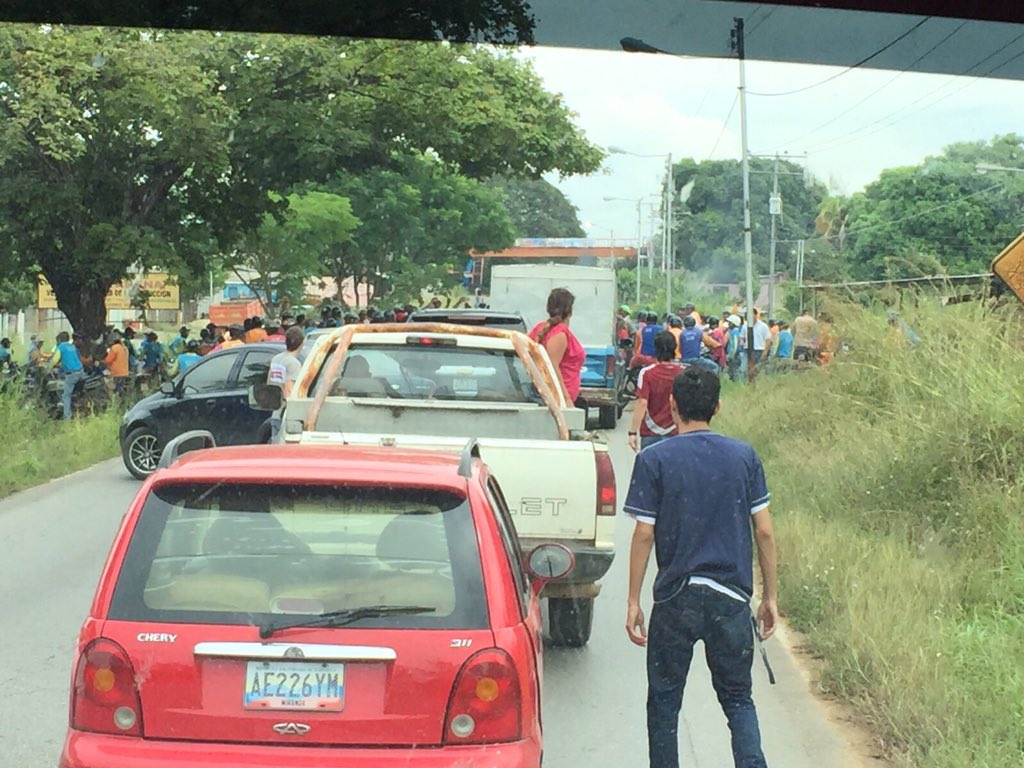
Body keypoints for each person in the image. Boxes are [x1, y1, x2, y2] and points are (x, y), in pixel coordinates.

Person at [624, 365, 778, 768]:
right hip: (731, 597)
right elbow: (764, 531)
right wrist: (770, 598)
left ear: (673, 405)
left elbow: (644, 534)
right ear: (718, 407)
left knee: (664, 703)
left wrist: (633, 601)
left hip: (675, 599)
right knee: (738, 699)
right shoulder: (744, 457)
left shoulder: (655, 459)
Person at [628, 331, 683, 453]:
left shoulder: (647, 373)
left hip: (650, 433)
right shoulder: (682, 373)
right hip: (675, 432)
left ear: (656, 349)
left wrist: (632, 432)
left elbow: (642, 403)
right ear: (675, 348)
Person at [528, 287, 585, 404]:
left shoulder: (541, 328)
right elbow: (552, 368)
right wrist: (566, 398)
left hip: (551, 395)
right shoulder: (559, 334)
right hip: (558, 399)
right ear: (570, 311)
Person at [266, 326, 304, 441]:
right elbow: (289, 389)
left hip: (275, 412)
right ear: (302, 344)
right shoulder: (294, 363)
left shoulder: (276, 359)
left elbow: (269, 383)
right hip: (286, 415)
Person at [52, 331, 85, 420]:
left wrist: (51, 366)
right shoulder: (72, 346)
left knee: (66, 396)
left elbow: (55, 360)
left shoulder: (61, 347)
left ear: (59, 340)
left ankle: (67, 417)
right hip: (81, 372)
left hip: (72, 374)